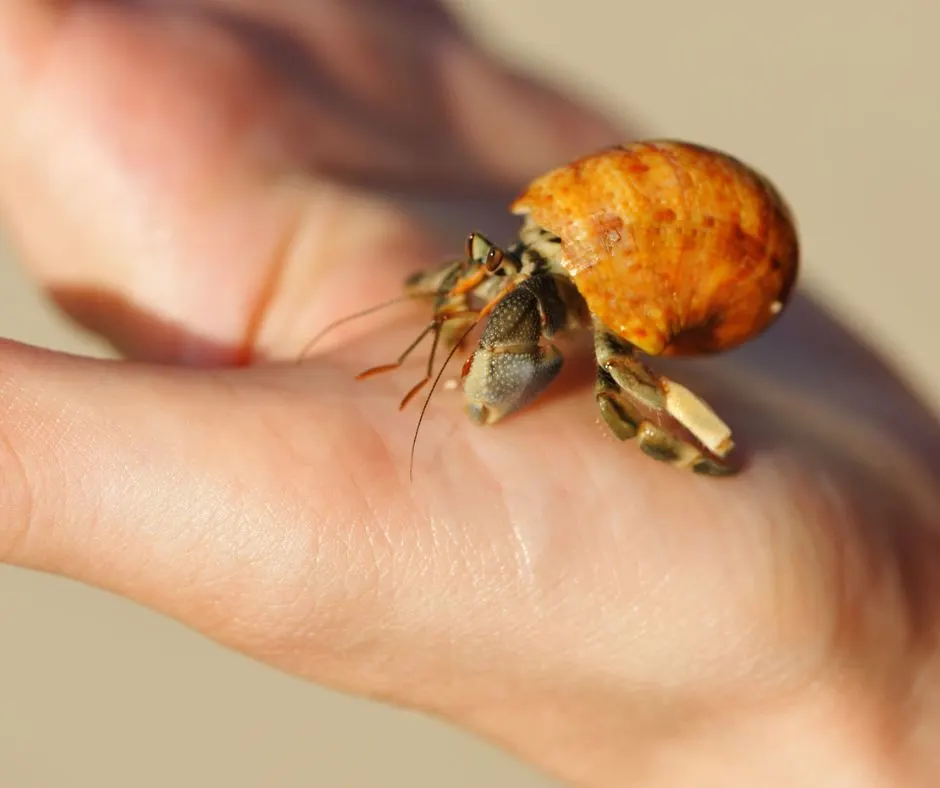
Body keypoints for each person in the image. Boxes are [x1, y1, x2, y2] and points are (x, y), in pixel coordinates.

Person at [0, 2, 938, 785]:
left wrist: (887, 668)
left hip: (704, 277)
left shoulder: (616, 314)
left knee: (611, 384)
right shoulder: (534, 254)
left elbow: (550, 347)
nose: (491, 283)